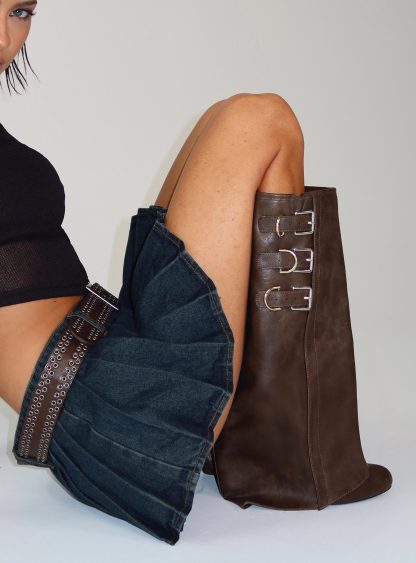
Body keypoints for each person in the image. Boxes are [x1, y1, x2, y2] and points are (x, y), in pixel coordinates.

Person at [0, 0, 392, 546]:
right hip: (103, 410)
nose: (5, 37)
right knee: (260, 119)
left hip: (116, 353)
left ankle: (265, 440)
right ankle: (283, 452)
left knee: (224, 117)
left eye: (19, 12)